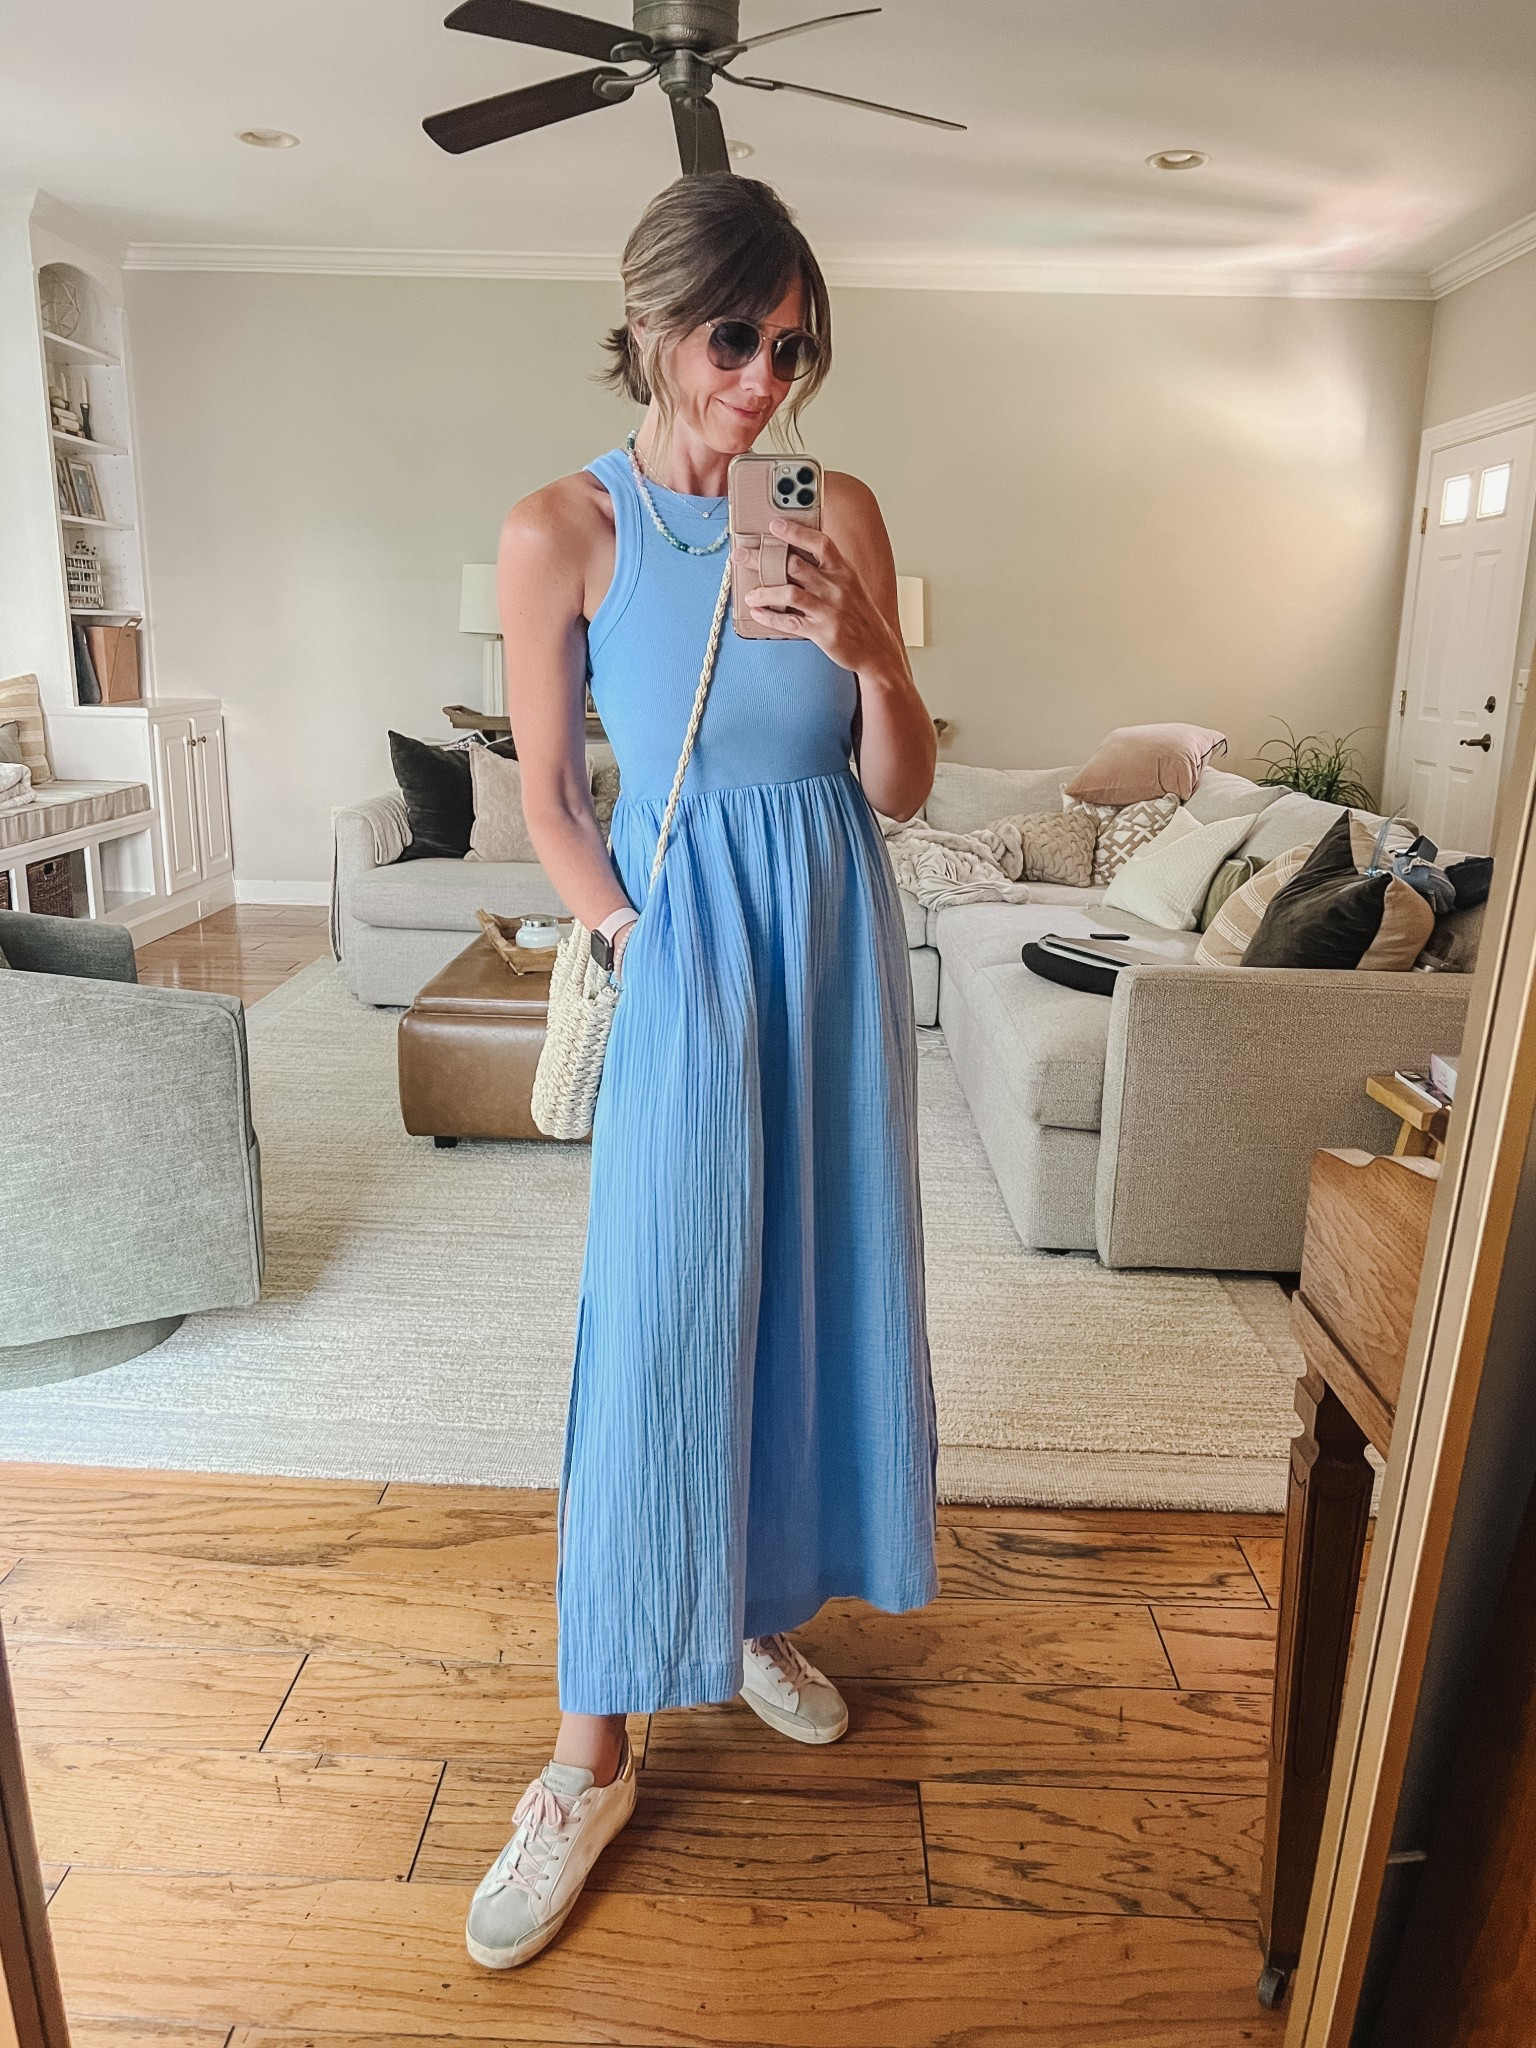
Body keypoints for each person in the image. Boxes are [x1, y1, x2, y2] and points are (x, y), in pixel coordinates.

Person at [466, 174, 939, 1971]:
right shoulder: (558, 528)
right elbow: (548, 802)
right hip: (682, 957)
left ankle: (746, 1610)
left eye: (795, 349)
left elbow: (894, 786)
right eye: (736, 338)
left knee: (809, 1293)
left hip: (832, 942)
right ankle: (586, 1758)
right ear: (656, 324)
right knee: (657, 1324)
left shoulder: (839, 509)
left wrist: (870, 648)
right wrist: (630, 940)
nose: (764, 380)